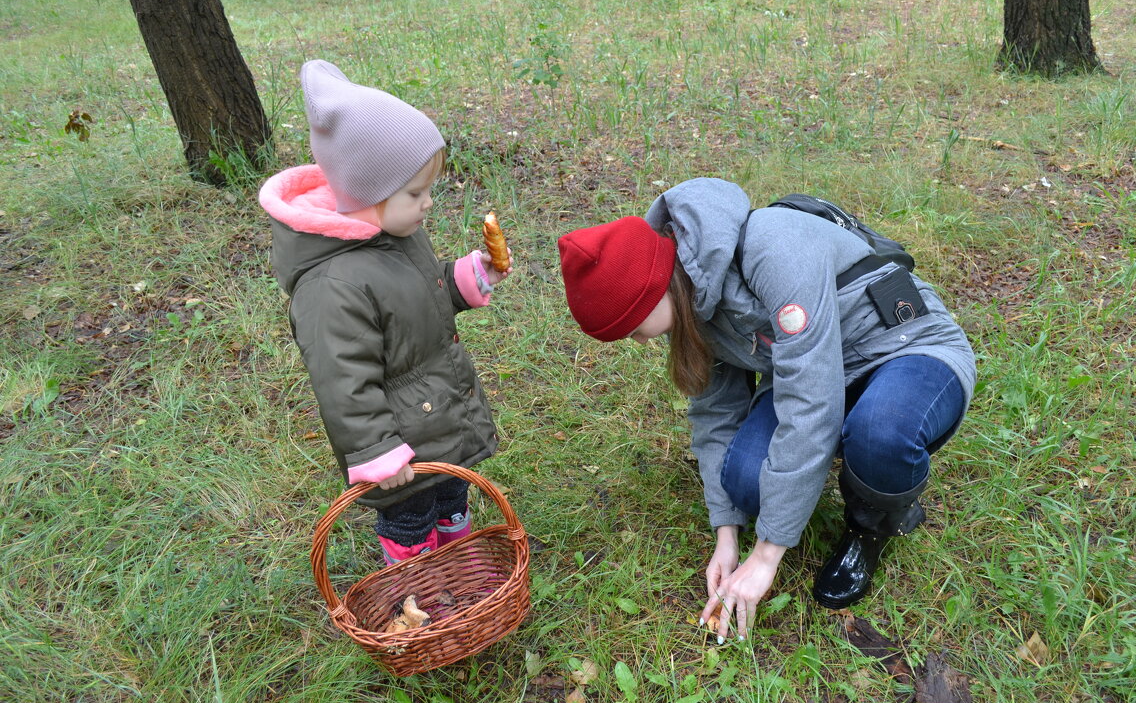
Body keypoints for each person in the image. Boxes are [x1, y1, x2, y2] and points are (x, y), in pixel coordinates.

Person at [557, 178, 975, 641]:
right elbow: (715, 417)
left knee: (882, 433)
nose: (634, 340)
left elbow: (810, 402)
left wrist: (767, 553)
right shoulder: (692, 303)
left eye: (629, 326)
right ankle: (847, 460)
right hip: (824, 367)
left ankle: (871, 526)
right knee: (744, 479)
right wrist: (727, 534)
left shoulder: (774, 247)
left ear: (652, 289)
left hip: (903, 346)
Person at [259, 60, 511, 565]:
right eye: (416, 193)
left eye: (429, 189)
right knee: (410, 516)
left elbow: (418, 294)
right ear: (368, 193)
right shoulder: (331, 286)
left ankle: (457, 570)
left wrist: (464, 279)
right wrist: (376, 450)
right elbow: (342, 380)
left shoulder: (393, 233)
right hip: (402, 438)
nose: (428, 204)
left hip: (434, 418)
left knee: (450, 497)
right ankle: (418, 586)